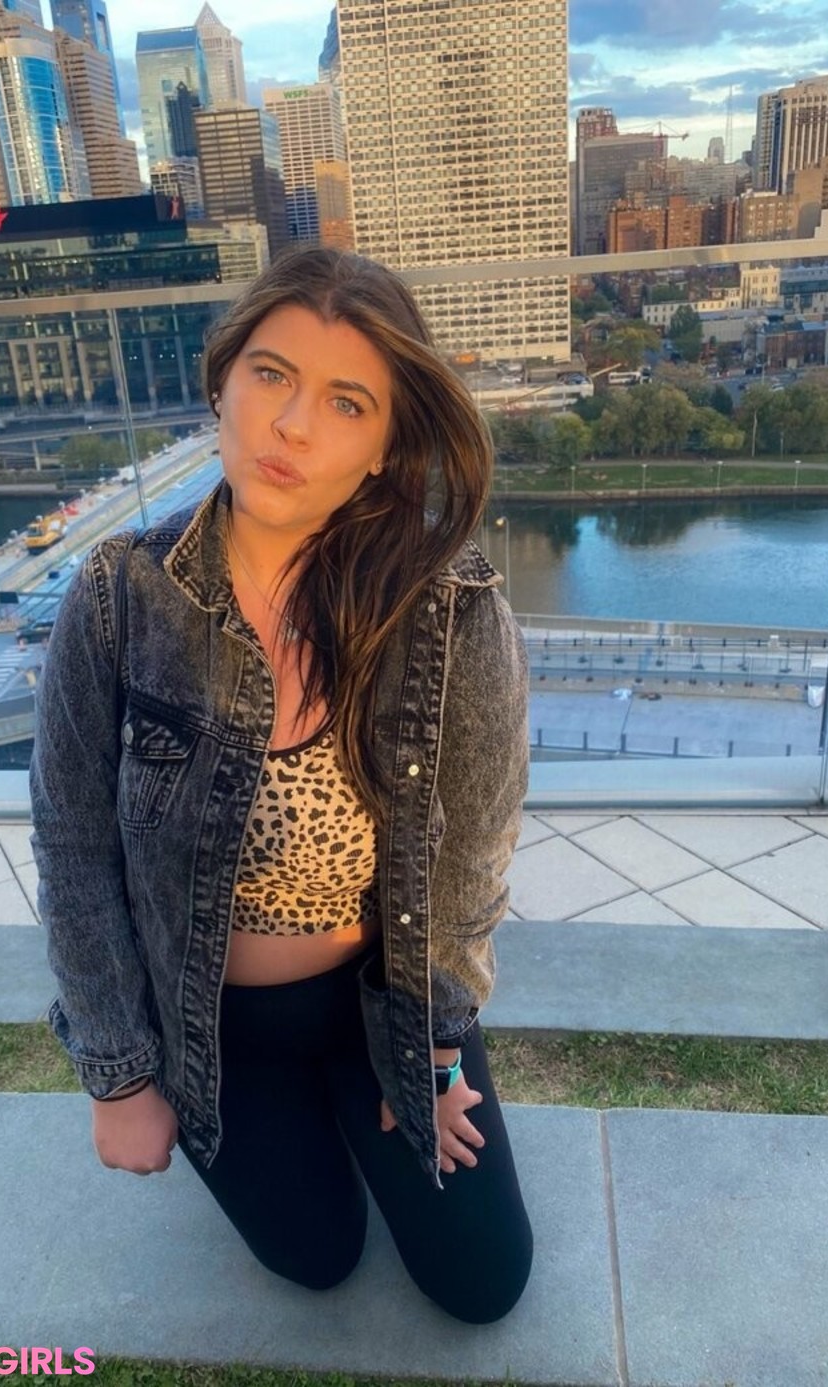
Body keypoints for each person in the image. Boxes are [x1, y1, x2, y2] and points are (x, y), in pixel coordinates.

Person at [30, 247, 533, 1325]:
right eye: (271, 374)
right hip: (207, 1021)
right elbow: (73, 845)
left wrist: (436, 1043)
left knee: (482, 1282)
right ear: (223, 381)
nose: (292, 425)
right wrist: (121, 1078)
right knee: (316, 1257)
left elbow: (474, 849)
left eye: (346, 402)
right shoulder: (118, 597)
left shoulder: (451, 609)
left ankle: (354, 1101)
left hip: (378, 1004)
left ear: (385, 444)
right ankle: (294, 1129)